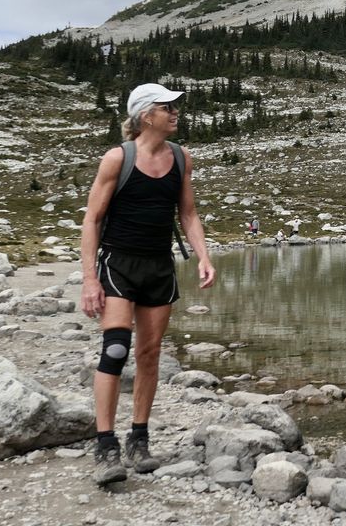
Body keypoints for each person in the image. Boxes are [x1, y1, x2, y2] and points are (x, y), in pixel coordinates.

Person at [80, 82, 216, 486]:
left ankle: (139, 438)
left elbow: (188, 214)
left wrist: (204, 255)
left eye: (176, 107)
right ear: (145, 116)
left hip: (159, 266)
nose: (175, 112)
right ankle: (106, 445)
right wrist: (90, 280)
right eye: (167, 106)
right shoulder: (116, 159)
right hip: (119, 264)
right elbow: (92, 219)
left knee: (151, 353)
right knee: (116, 347)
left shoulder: (180, 157)